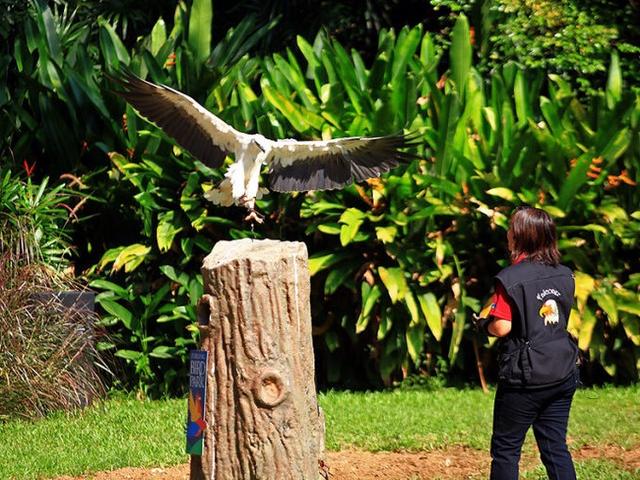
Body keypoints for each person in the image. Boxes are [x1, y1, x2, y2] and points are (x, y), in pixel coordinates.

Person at [476, 206, 580, 480]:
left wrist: (482, 323)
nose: (507, 233)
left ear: (520, 237)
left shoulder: (510, 278)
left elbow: (501, 327)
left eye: (511, 229)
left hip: (526, 379)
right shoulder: (565, 273)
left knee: (506, 450)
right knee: (555, 447)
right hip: (562, 371)